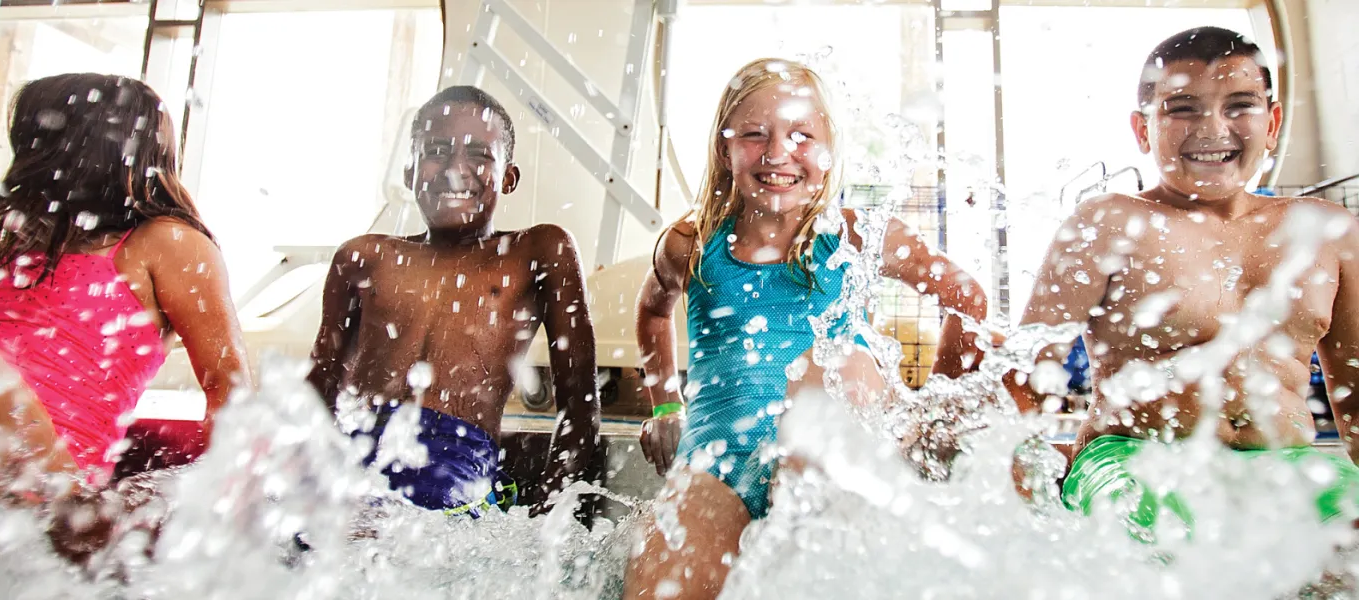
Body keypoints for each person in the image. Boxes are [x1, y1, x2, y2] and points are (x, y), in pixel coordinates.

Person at [623, 58, 988, 600]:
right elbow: (653, 314)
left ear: (829, 150)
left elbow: (969, 298)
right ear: (725, 149)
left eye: (801, 135)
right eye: (753, 135)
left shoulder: (855, 236)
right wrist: (664, 407)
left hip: (830, 459)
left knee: (831, 362)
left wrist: (936, 408)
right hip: (718, 463)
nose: (777, 154)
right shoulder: (691, 241)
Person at [1005, 27, 1359, 535]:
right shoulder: (1107, 224)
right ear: (1143, 130)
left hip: (1292, 463)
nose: (1214, 129)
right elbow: (1028, 378)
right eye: (1182, 108)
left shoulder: (1329, 232)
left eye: (1240, 105)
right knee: (1169, 542)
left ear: (1273, 121)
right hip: (1138, 460)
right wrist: (1021, 492)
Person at [0, 72, 251, 556]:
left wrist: (209, 502)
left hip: (53, 487)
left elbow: (231, 385)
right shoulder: (32, 241)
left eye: (36, 139)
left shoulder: (167, 242)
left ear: (79, 147)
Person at [307, 85, 600, 516]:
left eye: (480, 155)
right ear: (409, 173)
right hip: (355, 454)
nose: (455, 169)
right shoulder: (363, 257)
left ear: (508, 177)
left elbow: (580, 413)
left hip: (455, 464)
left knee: (383, 529)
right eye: (437, 150)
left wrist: (543, 524)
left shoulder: (538, 251)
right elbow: (317, 393)